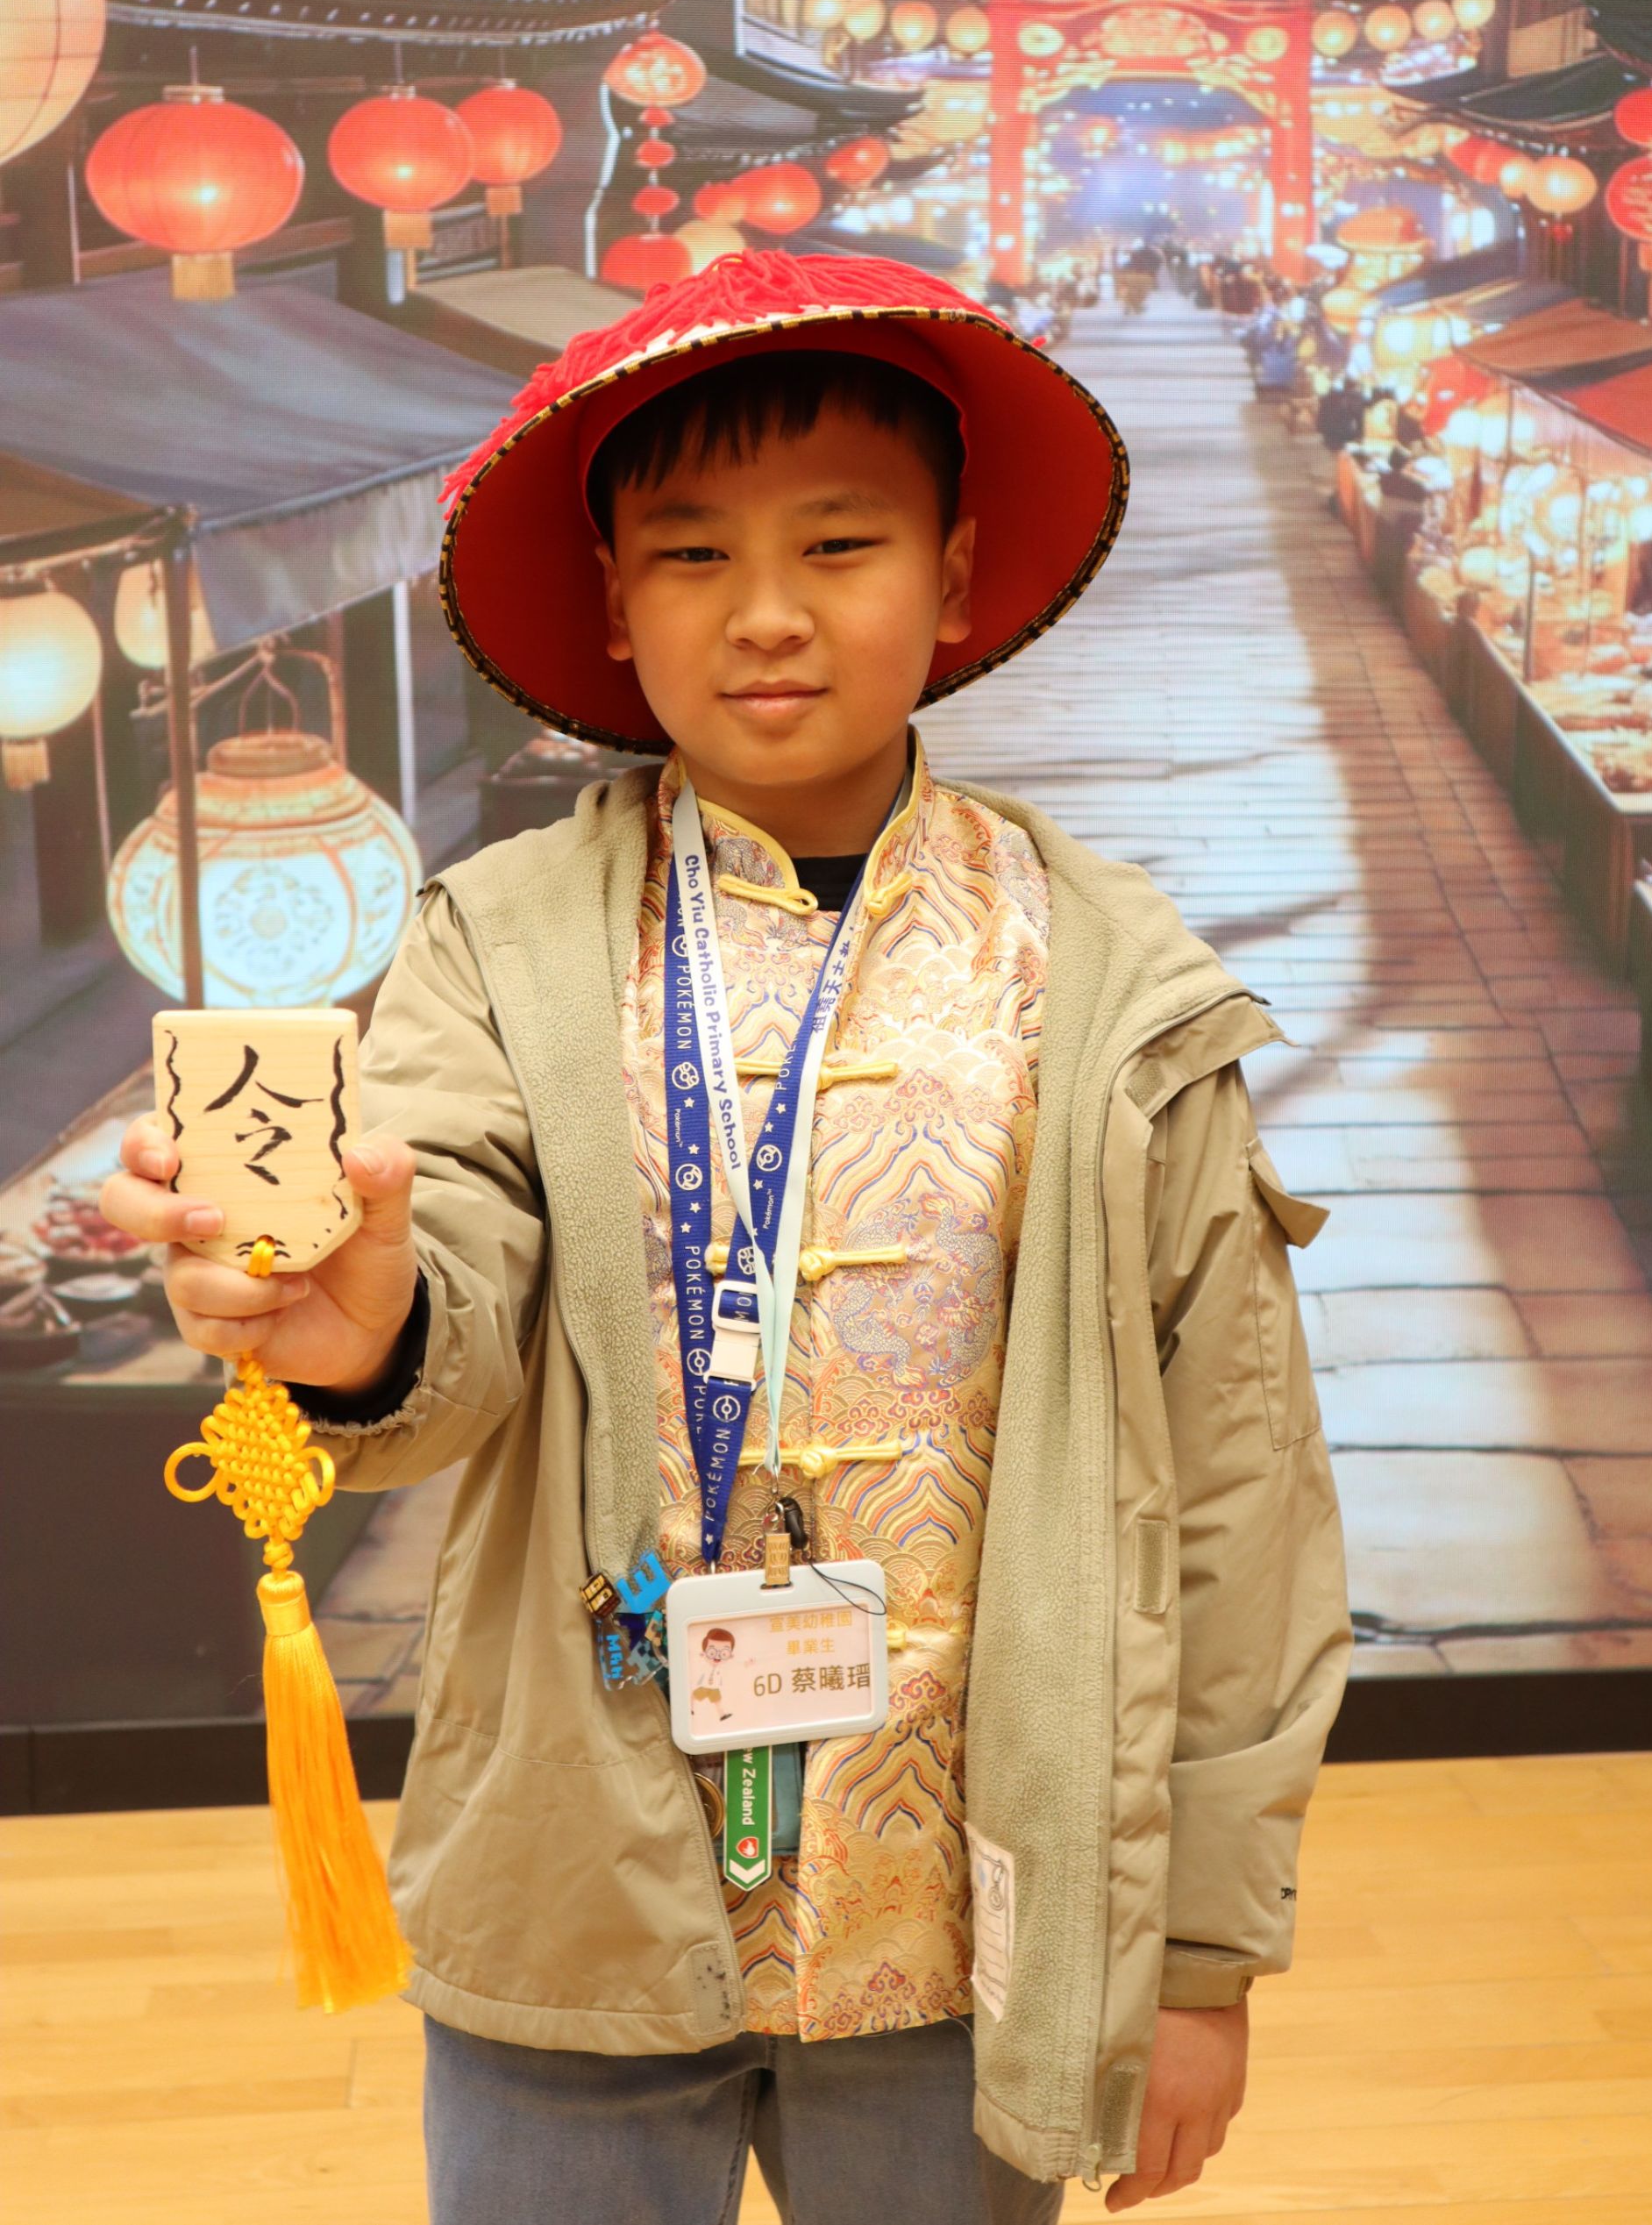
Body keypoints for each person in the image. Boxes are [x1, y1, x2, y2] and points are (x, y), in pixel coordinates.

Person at [104, 251, 1350, 2225]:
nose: (767, 610)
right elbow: (455, 1279)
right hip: (575, 1885)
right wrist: (368, 1322)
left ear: (954, 576)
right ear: (616, 602)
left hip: (961, 1909)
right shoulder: (498, 939)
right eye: (691, 554)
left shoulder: (1111, 982)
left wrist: (1201, 1949)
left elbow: (1241, 1486)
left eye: (840, 543)